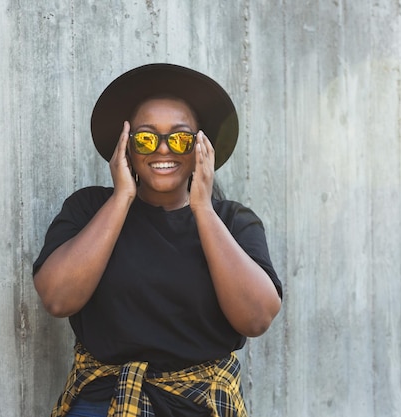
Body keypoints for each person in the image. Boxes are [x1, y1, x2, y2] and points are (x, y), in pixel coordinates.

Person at [33, 63, 283, 417]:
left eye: (180, 138)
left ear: (201, 148)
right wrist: (122, 197)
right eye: (146, 138)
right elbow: (57, 299)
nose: (163, 149)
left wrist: (202, 208)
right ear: (127, 146)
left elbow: (256, 320)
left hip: (200, 404)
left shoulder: (233, 222)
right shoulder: (88, 209)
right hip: (103, 402)